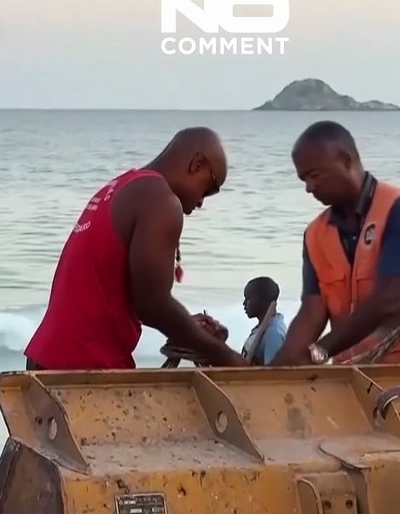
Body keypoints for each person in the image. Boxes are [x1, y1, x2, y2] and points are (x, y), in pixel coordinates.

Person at [25, 127, 249, 369]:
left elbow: (126, 295)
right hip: (81, 365)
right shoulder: (161, 201)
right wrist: (227, 358)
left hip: (46, 356)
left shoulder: (124, 186)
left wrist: (186, 326)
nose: (202, 202)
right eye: (209, 188)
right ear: (197, 164)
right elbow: (153, 307)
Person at [273, 121, 400, 365]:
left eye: (315, 175)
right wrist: (279, 366)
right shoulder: (315, 234)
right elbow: (312, 310)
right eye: (303, 179)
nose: (309, 188)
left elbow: (387, 300)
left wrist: (319, 352)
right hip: (358, 374)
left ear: (346, 161)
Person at [240, 276, 287, 365]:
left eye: (248, 298)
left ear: (261, 300)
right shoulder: (262, 328)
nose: (244, 303)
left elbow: (272, 372)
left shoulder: (274, 334)